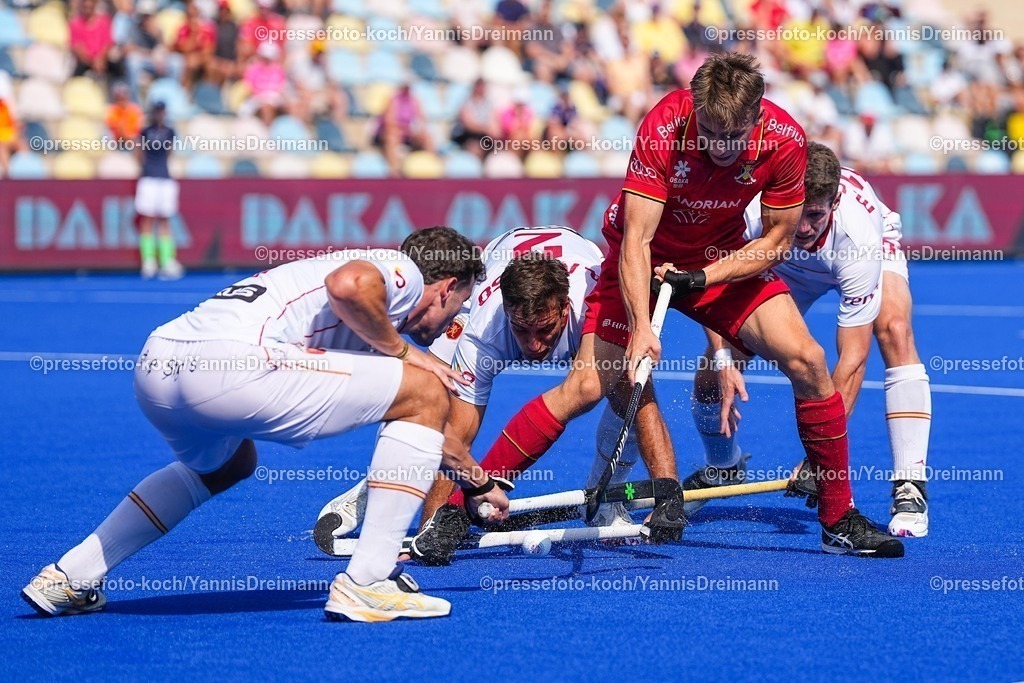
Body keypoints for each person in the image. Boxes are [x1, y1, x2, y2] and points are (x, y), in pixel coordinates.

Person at [434, 52, 901, 559]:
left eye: (734, 137)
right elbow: (636, 240)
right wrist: (639, 326)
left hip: (718, 261)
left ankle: (838, 517)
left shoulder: (785, 141)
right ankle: (460, 509)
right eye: (710, 134)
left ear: (757, 116)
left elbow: (776, 241)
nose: (721, 149)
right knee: (588, 385)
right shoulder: (664, 127)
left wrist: (703, 276)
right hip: (642, 259)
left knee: (809, 360)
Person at [21, 227, 489, 622]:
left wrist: (477, 482)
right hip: (233, 367)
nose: (456, 318)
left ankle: (69, 576)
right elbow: (348, 285)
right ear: (446, 286)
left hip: (156, 365)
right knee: (426, 388)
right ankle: (368, 581)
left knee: (229, 465)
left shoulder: (369, 316)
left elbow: (429, 431)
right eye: (461, 303)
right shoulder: (399, 271)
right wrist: (408, 353)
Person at [316, 226, 640, 565]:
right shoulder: (485, 329)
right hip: (497, 281)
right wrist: (436, 527)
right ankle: (382, 483)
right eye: (522, 331)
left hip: (570, 280)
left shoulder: (591, 305)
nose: (533, 345)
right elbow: (458, 434)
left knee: (625, 388)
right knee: (433, 408)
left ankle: (606, 497)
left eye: (543, 330)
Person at [683, 143, 931, 537]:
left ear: (833, 202)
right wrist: (724, 361)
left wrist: (820, 458)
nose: (804, 228)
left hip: (853, 256)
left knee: (895, 330)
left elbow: (851, 361)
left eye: (815, 214)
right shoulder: (752, 212)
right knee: (716, 363)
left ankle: (909, 484)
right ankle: (722, 467)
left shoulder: (857, 240)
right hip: (777, 255)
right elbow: (715, 289)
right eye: (797, 212)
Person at [135, 102, 184, 280]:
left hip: (164, 178)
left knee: (164, 220)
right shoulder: (145, 131)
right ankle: (148, 261)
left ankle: (166, 260)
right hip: (148, 178)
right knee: (147, 219)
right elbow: (139, 151)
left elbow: (169, 152)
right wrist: (146, 168)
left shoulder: (170, 132)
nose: (160, 115)